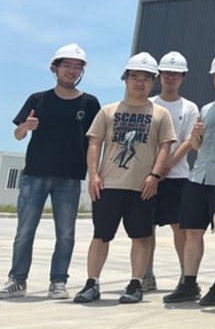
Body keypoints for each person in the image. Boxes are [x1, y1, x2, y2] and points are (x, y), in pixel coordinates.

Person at [75, 53, 176, 304]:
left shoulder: (161, 113)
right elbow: (95, 144)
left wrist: (154, 176)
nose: (139, 82)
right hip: (108, 185)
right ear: (125, 79)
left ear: (153, 82)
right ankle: (92, 283)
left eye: (146, 78)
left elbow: (165, 146)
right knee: (101, 235)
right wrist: (93, 175)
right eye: (134, 77)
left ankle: (135, 284)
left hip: (142, 187)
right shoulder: (108, 111)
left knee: (141, 237)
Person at [2, 44, 100, 300]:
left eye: (77, 66)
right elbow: (18, 134)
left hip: (70, 177)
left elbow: (95, 140)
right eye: (66, 65)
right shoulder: (38, 99)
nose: (72, 70)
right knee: (25, 230)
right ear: (54, 68)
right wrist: (25, 127)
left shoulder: (89, 103)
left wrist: (94, 172)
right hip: (35, 174)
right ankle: (17, 280)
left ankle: (58, 281)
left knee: (66, 233)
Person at [163, 52, 215, 306]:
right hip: (198, 177)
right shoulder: (207, 109)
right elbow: (197, 145)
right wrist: (196, 135)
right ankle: (189, 284)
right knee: (192, 231)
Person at [145, 51, 198, 292]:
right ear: (159, 76)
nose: (170, 78)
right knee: (147, 227)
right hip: (147, 175)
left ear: (183, 78)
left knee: (180, 228)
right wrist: (155, 169)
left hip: (178, 176)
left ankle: (184, 274)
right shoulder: (149, 104)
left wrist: (167, 165)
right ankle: (146, 273)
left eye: (176, 74)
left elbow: (189, 140)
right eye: (166, 73)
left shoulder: (189, 107)